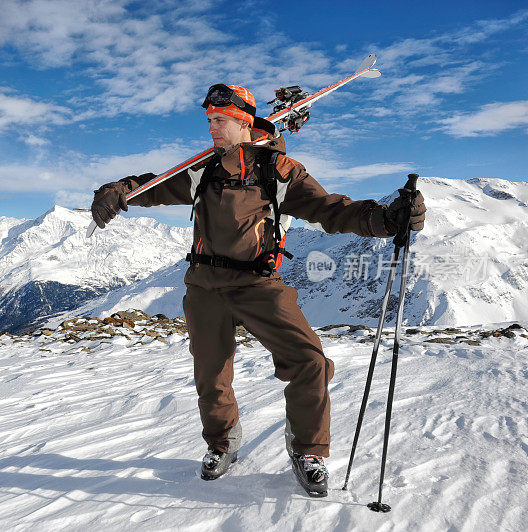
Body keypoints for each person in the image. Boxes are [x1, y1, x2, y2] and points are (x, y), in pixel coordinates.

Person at [90, 84, 426, 497]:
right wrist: (114, 191)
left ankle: (308, 449)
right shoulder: (201, 169)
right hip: (204, 286)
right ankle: (222, 441)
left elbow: (331, 209)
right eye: (209, 120)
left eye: (220, 121)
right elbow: (149, 186)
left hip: (258, 283)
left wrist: (385, 220)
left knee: (309, 361)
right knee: (211, 375)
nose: (211, 129)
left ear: (244, 122)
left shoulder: (279, 170)